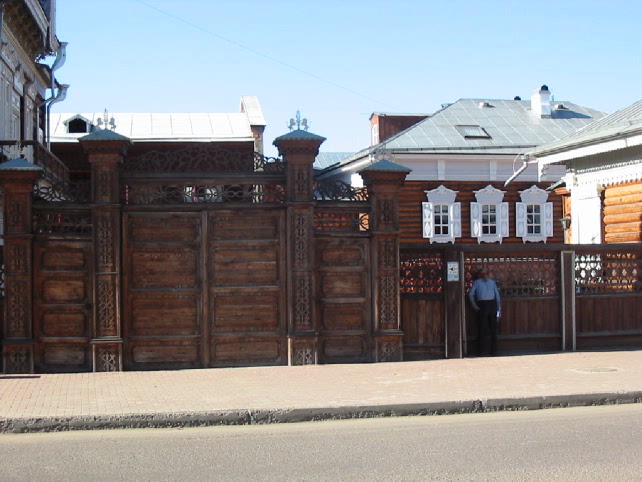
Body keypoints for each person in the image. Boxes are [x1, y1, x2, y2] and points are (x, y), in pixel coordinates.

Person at [468, 268, 501, 356]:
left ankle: (481, 351)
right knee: (493, 330)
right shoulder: (492, 282)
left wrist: (474, 305)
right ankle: (494, 351)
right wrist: (499, 310)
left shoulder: (477, 282)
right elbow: (497, 297)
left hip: (482, 305)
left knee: (482, 329)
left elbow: (471, 294)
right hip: (492, 305)